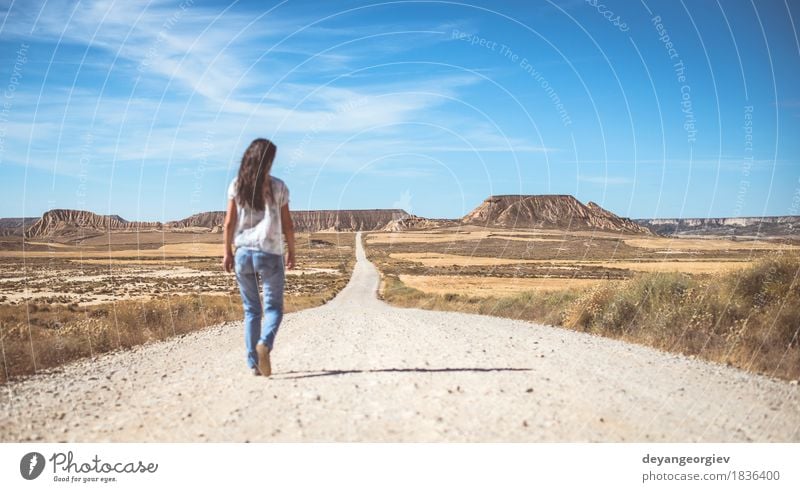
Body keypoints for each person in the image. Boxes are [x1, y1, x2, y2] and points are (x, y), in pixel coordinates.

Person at [223, 138, 295, 377]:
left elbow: (228, 223)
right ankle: (265, 343)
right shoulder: (279, 187)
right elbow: (288, 225)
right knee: (274, 308)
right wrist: (292, 251)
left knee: (252, 310)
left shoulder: (236, 185)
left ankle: (253, 364)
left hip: (243, 253)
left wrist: (226, 252)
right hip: (270, 253)